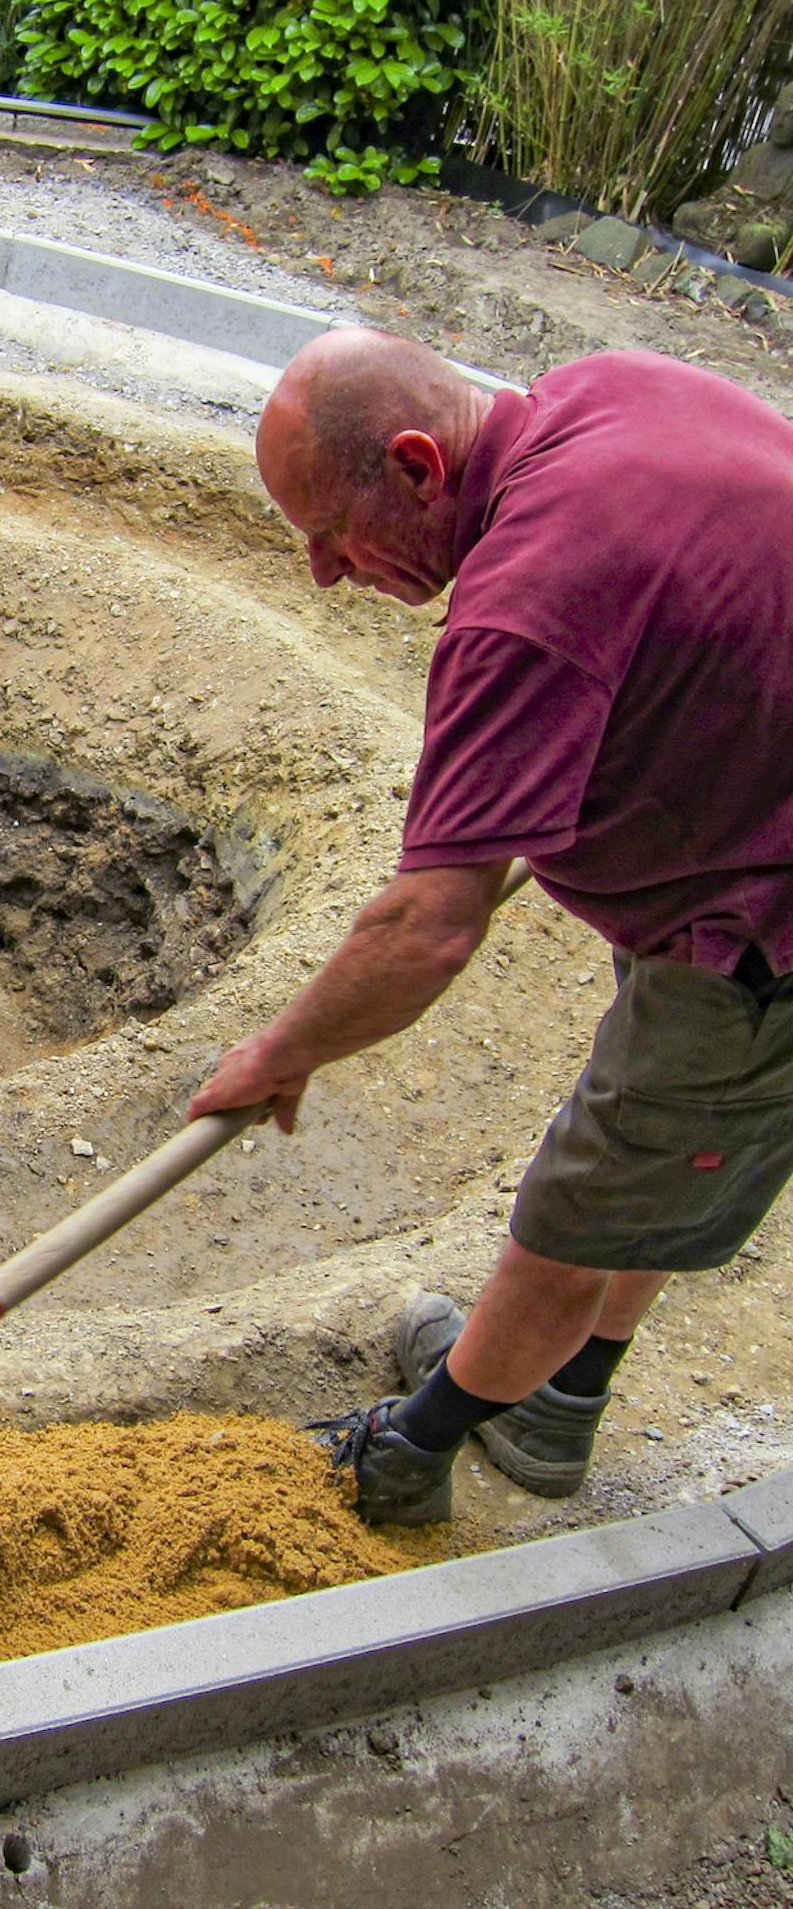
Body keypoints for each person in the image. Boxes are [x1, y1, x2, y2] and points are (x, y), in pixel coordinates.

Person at [189, 327, 793, 1524]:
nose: (322, 574)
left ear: (419, 467)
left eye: (330, 533)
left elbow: (428, 927)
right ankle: (557, 1397)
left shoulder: (525, 609)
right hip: (738, 796)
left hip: (764, 925)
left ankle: (414, 1455)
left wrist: (281, 1050)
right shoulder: (605, 389)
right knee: (646, 1161)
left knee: (590, 1202)